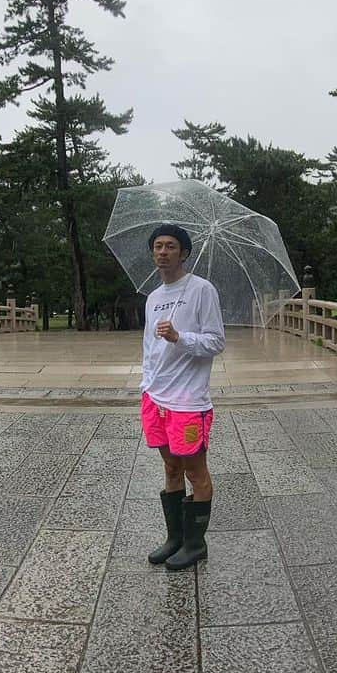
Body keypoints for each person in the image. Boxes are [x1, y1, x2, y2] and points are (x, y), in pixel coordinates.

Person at [140, 223, 226, 570]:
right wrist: (146, 386)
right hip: (155, 398)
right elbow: (149, 349)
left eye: (171, 246)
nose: (163, 251)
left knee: (196, 473)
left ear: (184, 253)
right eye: (158, 246)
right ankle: (174, 538)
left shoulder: (202, 290)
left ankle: (195, 543)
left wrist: (180, 337)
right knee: (170, 468)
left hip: (188, 401)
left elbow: (216, 341)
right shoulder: (153, 298)